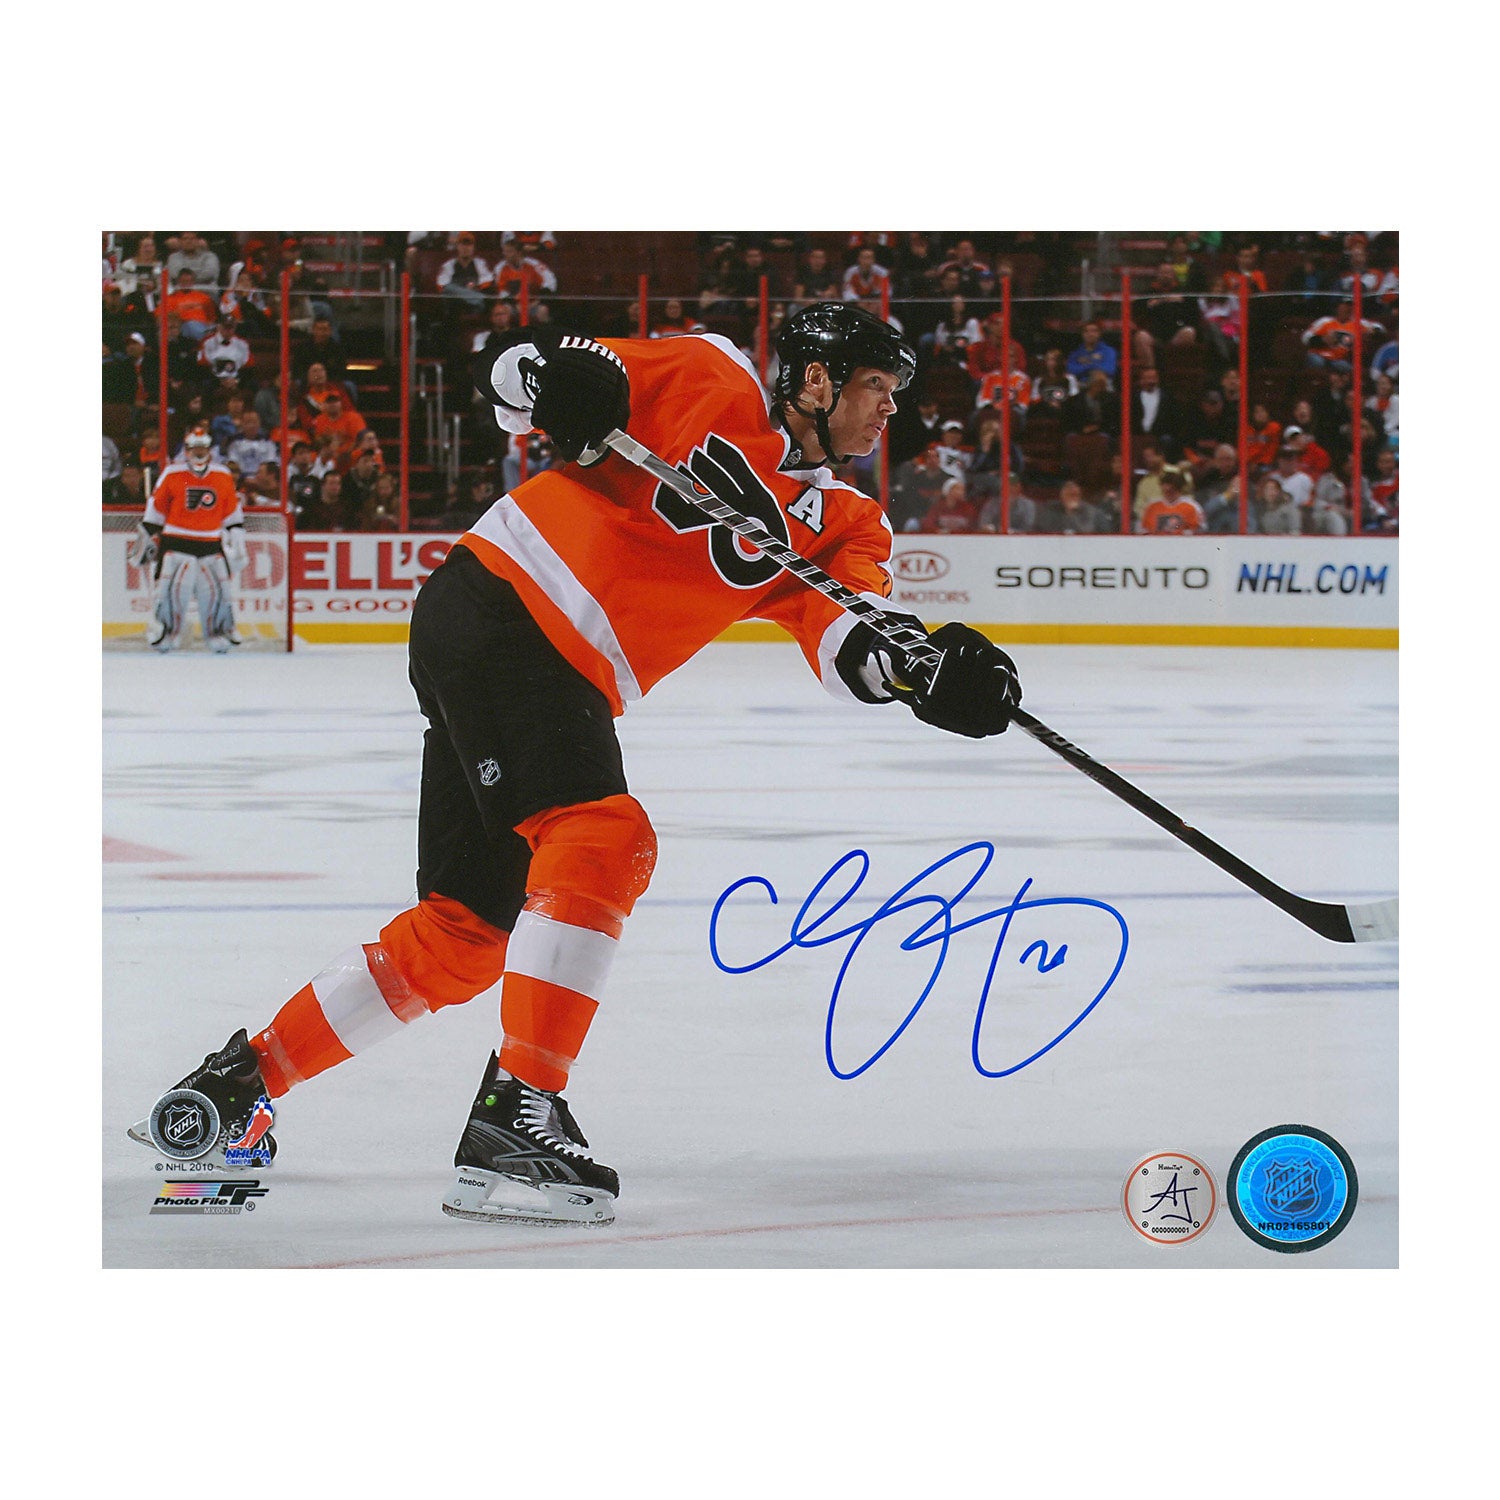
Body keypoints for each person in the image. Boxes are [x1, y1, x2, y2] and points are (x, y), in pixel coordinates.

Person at [127, 302, 1023, 1227]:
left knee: (464, 936)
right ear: (818, 381)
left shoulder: (846, 524)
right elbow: (516, 371)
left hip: (531, 655)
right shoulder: (710, 371)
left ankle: (230, 1092)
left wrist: (920, 672)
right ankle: (517, 1114)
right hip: (506, 603)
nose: (891, 409)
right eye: (876, 386)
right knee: (603, 837)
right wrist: (560, 383)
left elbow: (848, 635)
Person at [130, 427, 247, 653]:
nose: (199, 452)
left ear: (209, 450)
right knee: (171, 592)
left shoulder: (222, 475)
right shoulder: (172, 473)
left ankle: (217, 633)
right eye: (194, 448)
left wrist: (237, 536)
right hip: (175, 542)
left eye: (203, 447)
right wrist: (147, 533)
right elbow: (157, 508)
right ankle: (166, 633)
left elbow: (231, 511)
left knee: (217, 591)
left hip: (211, 543)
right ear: (186, 450)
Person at [1139, 470, 1205, 535]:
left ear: (1179, 489)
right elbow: (1145, 530)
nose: (1168, 494)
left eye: (1171, 491)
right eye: (1165, 491)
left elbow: (1198, 530)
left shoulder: (1192, 507)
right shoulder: (1152, 506)